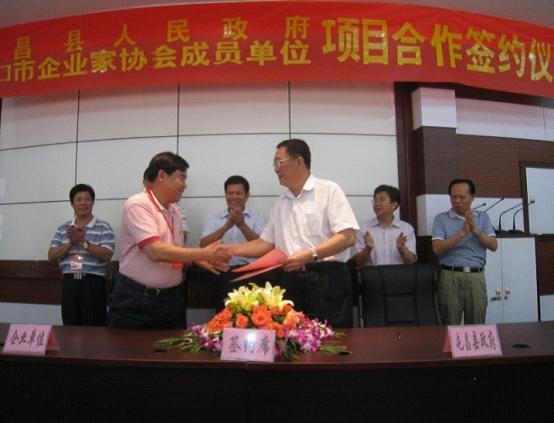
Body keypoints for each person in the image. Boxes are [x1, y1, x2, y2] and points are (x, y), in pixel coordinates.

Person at [224, 138, 359, 328]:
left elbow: (348, 236)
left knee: (333, 339)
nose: (276, 169)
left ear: (299, 161)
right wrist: (228, 250)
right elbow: (265, 243)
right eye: (274, 163)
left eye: (279, 162)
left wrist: (310, 255)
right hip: (292, 280)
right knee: (294, 337)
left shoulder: (328, 190)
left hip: (327, 279)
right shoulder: (281, 202)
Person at [107, 152, 230, 329]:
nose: (185, 185)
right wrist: (204, 253)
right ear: (162, 175)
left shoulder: (174, 211)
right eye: (182, 178)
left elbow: (174, 249)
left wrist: (198, 260)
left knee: (174, 346)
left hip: (172, 300)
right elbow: (155, 251)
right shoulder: (138, 204)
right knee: (132, 347)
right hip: (137, 301)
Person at [432, 178, 498, 325]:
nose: (457, 201)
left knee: (477, 325)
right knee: (450, 325)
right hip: (450, 276)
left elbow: (494, 246)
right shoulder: (441, 218)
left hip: (476, 276)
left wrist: (476, 232)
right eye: (453, 197)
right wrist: (462, 233)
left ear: (473, 197)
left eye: (462, 197)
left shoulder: (483, 217)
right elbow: (437, 248)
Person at [48, 184, 115, 326]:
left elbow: (107, 255)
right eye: (78, 199)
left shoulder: (103, 227)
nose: (83, 203)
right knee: (70, 327)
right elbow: (51, 255)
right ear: (72, 204)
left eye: (87, 199)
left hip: (93, 283)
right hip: (70, 283)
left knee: (94, 328)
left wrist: (83, 242)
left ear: (93, 202)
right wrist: (71, 243)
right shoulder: (63, 228)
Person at [199, 175, 267, 305]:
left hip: (252, 273)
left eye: (238, 193)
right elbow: (203, 245)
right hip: (223, 273)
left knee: (253, 314)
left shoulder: (259, 218)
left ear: (247, 195)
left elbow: (264, 247)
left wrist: (242, 225)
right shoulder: (215, 218)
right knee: (223, 313)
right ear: (225, 195)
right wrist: (225, 227)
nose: (234, 197)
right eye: (230, 193)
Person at [353, 185, 417, 266]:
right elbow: (358, 262)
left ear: (394, 205)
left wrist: (402, 249)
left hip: (398, 273)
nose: (377, 204)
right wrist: (368, 248)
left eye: (382, 200)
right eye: (375, 200)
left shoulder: (406, 228)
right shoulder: (364, 228)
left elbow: (411, 261)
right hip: (372, 273)